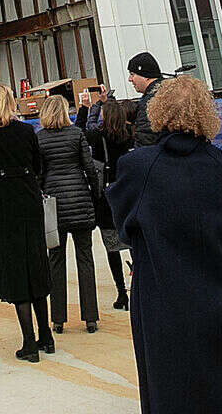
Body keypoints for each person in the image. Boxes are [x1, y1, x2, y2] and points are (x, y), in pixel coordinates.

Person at [109, 76, 222, 414]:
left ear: (158, 111)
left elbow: (124, 228)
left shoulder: (138, 167)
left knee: (173, 387)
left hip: (166, 299)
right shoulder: (220, 164)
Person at [0, 82, 53, 360]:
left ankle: (29, 342)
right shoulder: (26, 130)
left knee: (16, 269)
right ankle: (47, 335)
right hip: (29, 200)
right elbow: (38, 164)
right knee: (36, 262)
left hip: (4, 204)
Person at [37, 92, 104, 333]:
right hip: (80, 202)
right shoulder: (76, 134)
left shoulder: (40, 138)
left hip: (54, 205)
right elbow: (89, 168)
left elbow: (39, 175)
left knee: (56, 261)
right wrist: (95, 196)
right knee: (85, 259)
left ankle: (58, 318)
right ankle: (90, 317)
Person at [88, 96, 134, 309]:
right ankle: (140, 285)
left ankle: (121, 291)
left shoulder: (98, 137)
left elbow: (86, 127)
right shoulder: (129, 136)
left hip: (107, 195)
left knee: (111, 247)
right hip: (128, 193)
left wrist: (94, 104)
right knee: (134, 242)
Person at [126, 52, 166, 147]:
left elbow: (145, 139)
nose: (129, 79)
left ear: (146, 76)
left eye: (132, 74)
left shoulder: (150, 103)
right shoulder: (169, 92)